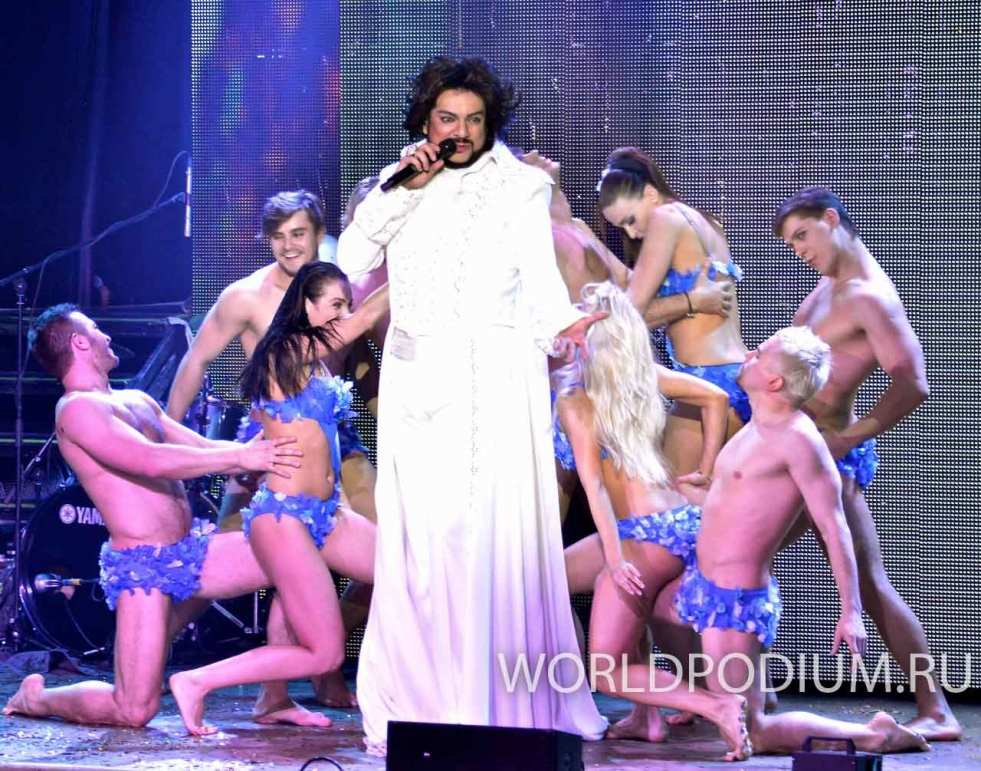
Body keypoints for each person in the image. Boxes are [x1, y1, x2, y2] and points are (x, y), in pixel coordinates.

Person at [337, 55, 608, 754]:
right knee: (420, 541)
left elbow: (539, 279)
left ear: (491, 125)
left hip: (489, 377)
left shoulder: (520, 186)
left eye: (473, 120)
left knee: (477, 535)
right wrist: (402, 187)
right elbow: (352, 257)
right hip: (412, 383)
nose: (459, 131)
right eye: (446, 118)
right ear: (425, 121)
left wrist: (563, 326)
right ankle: (420, 696)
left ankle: (483, 697)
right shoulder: (400, 182)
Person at [2, 305, 301, 727]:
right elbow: (149, 460)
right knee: (134, 710)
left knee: (295, 555)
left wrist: (257, 454)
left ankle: (274, 699)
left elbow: (200, 447)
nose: (106, 336)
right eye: (96, 329)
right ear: (80, 343)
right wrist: (241, 457)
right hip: (143, 566)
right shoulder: (77, 410)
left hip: (189, 551)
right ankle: (38, 698)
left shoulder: (136, 401)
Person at [660, 326, 928, 754]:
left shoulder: (799, 439)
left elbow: (834, 525)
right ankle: (689, 704)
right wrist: (694, 495)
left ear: (774, 381)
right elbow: (739, 506)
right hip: (706, 585)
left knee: (754, 731)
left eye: (759, 354)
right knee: (657, 608)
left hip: (734, 597)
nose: (749, 354)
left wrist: (851, 611)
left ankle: (873, 735)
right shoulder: (756, 427)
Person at [166, 190, 385, 709]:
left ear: (319, 235)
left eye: (299, 234)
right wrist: (170, 445)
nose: (289, 246)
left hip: (335, 441)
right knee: (219, 568)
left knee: (378, 554)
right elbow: (195, 362)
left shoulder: (335, 288)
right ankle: (149, 653)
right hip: (268, 447)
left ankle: (308, 676)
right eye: (278, 237)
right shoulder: (249, 299)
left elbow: (362, 361)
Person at [773, 188, 961, 742]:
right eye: (790, 243)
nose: (798, 250)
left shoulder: (869, 297)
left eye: (803, 235)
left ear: (832, 219)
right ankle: (935, 710)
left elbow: (913, 382)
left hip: (825, 458)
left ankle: (734, 697)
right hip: (801, 450)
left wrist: (845, 440)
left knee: (737, 557)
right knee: (869, 584)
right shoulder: (829, 285)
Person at [555, 283, 750, 760]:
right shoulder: (644, 377)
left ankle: (717, 705)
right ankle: (648, 716)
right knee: (555, 576)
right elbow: (715, 398)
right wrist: (705, 471)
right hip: (681, 525)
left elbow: (596, 488)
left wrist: (615, 559)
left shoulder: (577, 401)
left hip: (642, 537)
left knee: (606, 670)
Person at [597, 148, 749, 483]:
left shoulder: (665, 218)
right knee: (719, 504)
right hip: (737, 376)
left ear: (651, 194)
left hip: (707, 381)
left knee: (677, 505)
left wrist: (690, 301)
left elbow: (628, 315)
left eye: (630, 220)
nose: (632, 234)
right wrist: (693, 300)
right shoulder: (703, 221)